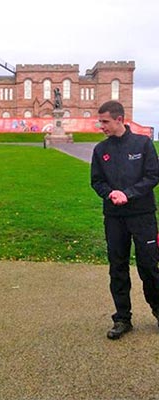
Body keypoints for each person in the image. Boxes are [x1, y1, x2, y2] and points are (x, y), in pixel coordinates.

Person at [91, 100, 159, 340]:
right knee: (117, 267)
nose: (102, 126)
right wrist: (109, 193)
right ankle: (122, 318)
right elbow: (96, 181)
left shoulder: (143, 144)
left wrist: (127, 194)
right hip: (115, 218)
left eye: (105, 121)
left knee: (149, 267)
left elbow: (153, 176)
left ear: (120, 119)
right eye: (101, 122)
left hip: (142, 216)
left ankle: (158, 309)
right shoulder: (101, 150)